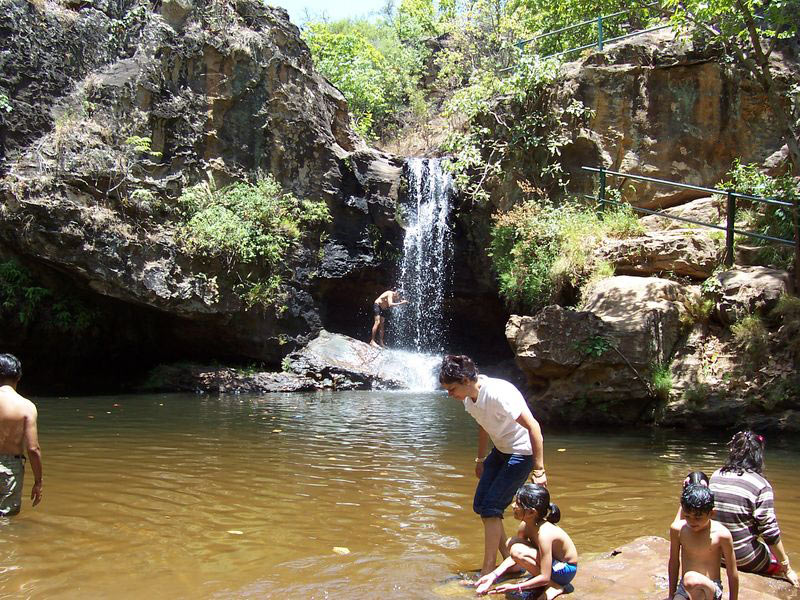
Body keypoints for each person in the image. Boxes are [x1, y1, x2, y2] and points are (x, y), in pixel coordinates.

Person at [439, 354, 546, 576]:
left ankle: (488, 569)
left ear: (466, 381)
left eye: (451, 389)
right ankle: (512, 561)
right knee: (482, 505)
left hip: (521, 452)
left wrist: (539, 469)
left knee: (491, 509)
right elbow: (483, 425)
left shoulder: (498, 393)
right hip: (500, 451)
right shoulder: (469, 400)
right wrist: (481, 460)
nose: (449, 395)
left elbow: (534, 427)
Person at [709, 431, 799, 587]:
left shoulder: (716, 475)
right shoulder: (761, 485)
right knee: (772, 555)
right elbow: (770, 533)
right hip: (743, 558)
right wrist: (787, 566)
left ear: (733, 452)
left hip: (714, 553)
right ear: (758, 456)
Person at [474, 484, 578, 600]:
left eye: (518, 504)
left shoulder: (544, 534)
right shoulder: (525, 525)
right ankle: (545, 582)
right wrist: (492, 576)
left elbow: (544, 576)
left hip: (565, 569)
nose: (513, 505)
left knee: (517, 550)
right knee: (512, 543)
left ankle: (555, 586)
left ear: (531, 512)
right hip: (552, 563)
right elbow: (514, 557)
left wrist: (515, 587)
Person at [668, 484, 738, 600]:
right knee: (687, 583)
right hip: (684, 588)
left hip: (711, 587)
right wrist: (671, 595)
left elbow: (732, 571)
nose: (692, 521)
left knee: (690, 579)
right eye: (687, 516)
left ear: (712, 513)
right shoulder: (677, 530)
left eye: (698, 517)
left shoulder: (722, 534)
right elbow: (674, 562)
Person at [0, 353, 43, 516]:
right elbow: (33, 449)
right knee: (5, 519)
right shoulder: (26, 407)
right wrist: (38, 481)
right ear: (18, 377)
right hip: (10, 469)